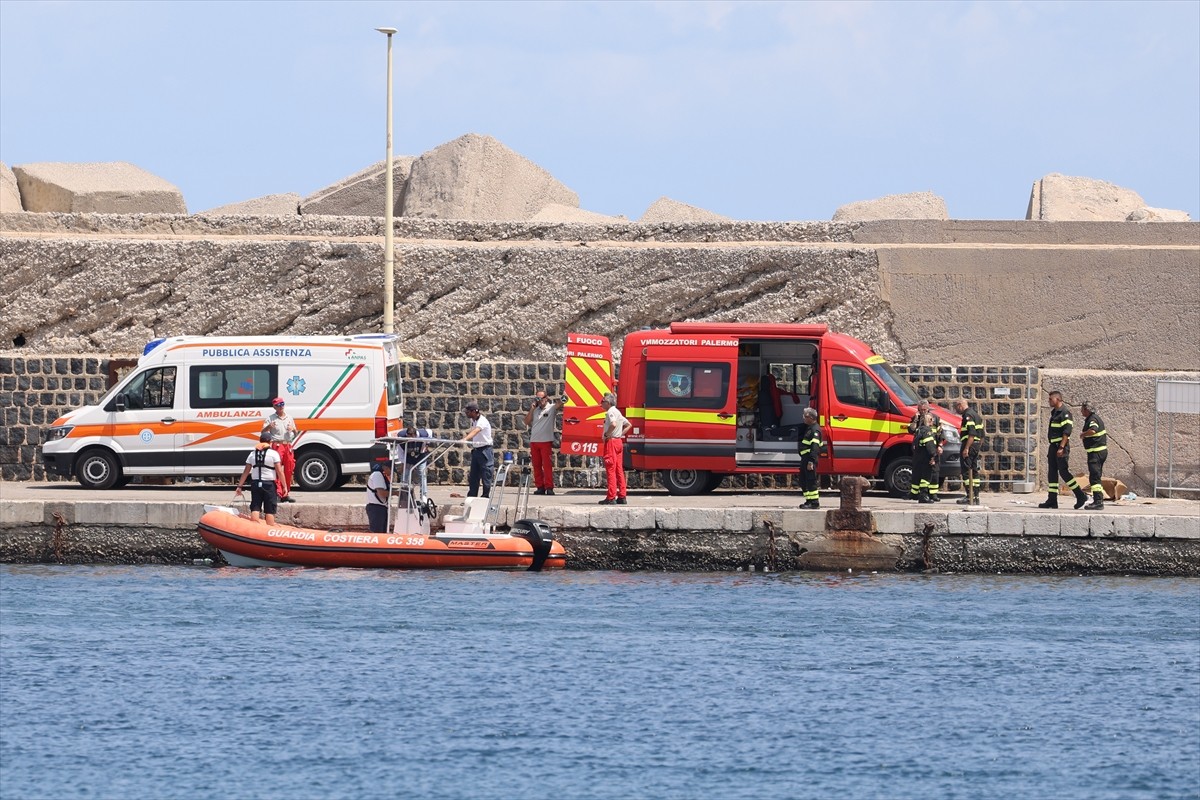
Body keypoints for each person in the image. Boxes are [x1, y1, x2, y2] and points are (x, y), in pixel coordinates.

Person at [1039, 390, 1088, 509]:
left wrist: (1061, 447)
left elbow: (1067, 432)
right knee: (1052, 473)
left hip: (1061, 447)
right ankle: (1052, 499)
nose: (1049, 401)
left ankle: (1080, 495)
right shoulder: (1054, 412)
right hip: (1053, 446)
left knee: (1064, 472)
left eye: (1051, 399)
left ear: (1058, 399)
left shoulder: (1065, 413)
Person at [234, 431, 282, 525]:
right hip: (269, 485)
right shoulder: (273, 454)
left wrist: (239, 486)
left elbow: (246, 472)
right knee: (269, 510)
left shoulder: (252, 454)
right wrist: (284, 487)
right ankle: (270, 532)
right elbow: (280, 472)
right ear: (270, 442)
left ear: (260, 441)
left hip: (255, 484)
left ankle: (254, 529)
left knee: (255, 507)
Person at [598, 392, 632, 505]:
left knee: (610, 469)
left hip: (611, 442)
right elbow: (628, 425)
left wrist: (607, 434)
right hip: (618, 442)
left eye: (602, 402)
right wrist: (620, 434)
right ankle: (622, 496)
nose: (601, 404)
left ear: (607, 402)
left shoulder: (610, 412)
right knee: (619, 470)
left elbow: (612, 424)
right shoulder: (618, 412)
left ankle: (611, 497)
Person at [262, 397, 298, 503]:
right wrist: (269, 426)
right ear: (274, 407)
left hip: (288, 444)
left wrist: (294, 430)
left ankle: (285, 493)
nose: (281, 406)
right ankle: (278, 493)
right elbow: (262, 431)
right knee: (277, 470)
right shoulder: (271, 418)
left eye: (282, 404)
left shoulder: (289, 417)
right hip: (277, 444)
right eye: (278, 405)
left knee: (289, 469)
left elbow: (296, 433)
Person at [523, 389, 559, 495]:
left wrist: (564, 397)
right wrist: (532, 409)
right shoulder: (535, 410)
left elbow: (560, 404)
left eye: (541, 398)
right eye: (537, 398)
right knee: (536, 465)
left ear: (546, 398)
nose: (540, 400)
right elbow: (526, 421)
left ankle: (549, 487)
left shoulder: (551, 408)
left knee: (547, 465)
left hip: (545, 441)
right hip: (534, 441)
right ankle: (540, 486)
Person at [908, 400, 944, 501]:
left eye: (924, 409)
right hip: (919, 450)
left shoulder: (935, 418)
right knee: (917, 471)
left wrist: (940, 446)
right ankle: (915, 493)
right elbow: (911, 430)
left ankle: (933, 494)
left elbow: (941, 433)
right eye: (921, 409)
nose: (923, 411)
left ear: (928, 408)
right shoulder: (916, 418)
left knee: (934, 472)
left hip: (932, 448)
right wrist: (915, 419)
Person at [954, 397, 985, 505]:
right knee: (975, 471)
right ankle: (976, 497)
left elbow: (972, 434)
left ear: (960, 405)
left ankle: (969, 497)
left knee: (966, 471)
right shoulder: (976, 415)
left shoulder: (968, 416)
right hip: (975, 446)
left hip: (969, 444)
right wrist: (977, 447)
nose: (956, 410)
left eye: (956, 407)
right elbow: (982, 435)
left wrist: (967, 448)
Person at [1079, 400, 1108, 511]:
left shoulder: (1092, 419)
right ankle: (1098, 500)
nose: (1081, 411)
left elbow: (1093, 430)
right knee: (1096, 476)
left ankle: (1098, 502)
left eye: (1082, 409)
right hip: (1098, 452)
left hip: (1096, 453)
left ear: (1087, 409)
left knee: (1094, 477)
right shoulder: (1093, 418)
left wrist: (1083, 434)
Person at [462, 402, 494, 498]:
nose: (466, 414)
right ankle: (472, 497)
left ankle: (485, 497)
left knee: (486, 475)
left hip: (485, 450)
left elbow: (476, 431)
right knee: (474, 476)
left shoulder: (482, 421)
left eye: (468, 412)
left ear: (474, 411)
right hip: (477, 450)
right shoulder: (474, 420)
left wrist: (465, 439)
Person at [797, 407, 823, 509]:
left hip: (809, 459)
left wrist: (811, 461)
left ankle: (814, 502)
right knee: (804, 480)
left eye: (806, 416)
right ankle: (808, 501)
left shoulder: (815, 430)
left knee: (811, 480)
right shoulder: (809, 428)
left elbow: (815, 447)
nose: (803, 418)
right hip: (805, 458)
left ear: (811, 417)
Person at [913, 411, 939, 504]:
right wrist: (933, 457)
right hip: (926, 457)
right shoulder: (927, 431)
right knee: (926, 477)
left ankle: (921, 495)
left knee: (921, 476)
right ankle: (923, 496)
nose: (933, 422)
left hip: (919, 456)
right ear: (930, 420)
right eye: (932, 420)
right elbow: (930, 446)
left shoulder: (919, 429)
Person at [403, 423, 433, 499]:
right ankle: (405, 494)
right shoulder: (401, 435)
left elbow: (430, 432)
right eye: (409, 438)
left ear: (415, 435)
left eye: (412, 438)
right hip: (408, 457)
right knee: (406, 475)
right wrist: (403, 462)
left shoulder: (423, 434)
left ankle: (423, 496)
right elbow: (400, 451)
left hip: (420, 456)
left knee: (422, 474)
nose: (410, 440)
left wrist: (427, 444)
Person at [365, 460, 391, 533]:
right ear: (386, 468)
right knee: (377, 534)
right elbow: (381, 493)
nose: (391, 473)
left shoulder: (381, 476)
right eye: (391, 470)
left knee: (382, 533)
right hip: (376, 508)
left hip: (380, 508)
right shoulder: (377, 475)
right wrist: (395, 493)